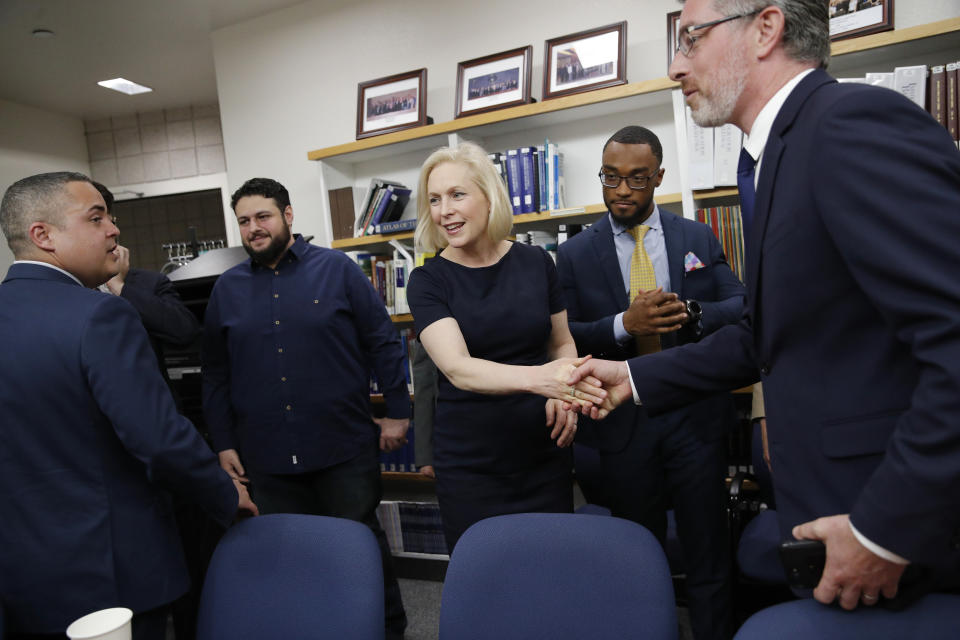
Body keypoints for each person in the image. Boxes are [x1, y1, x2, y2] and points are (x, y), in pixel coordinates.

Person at [568, 0, 960, 614]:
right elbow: (765, 336)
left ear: (766, 30)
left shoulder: (849, 124)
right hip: (835, 512)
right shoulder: (776, 156)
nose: (674, 65)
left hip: (887, 524)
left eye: (690, 39)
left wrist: (885, 526)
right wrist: (634, 375)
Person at [0, 172, 256, 640]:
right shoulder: (99, 314)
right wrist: (224, 492)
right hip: (109, 575)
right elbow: (158, 440)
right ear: (43, 235)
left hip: (21, 578)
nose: (114, 230)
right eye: (96, 218)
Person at [556, 125, 745, 640]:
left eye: (637, 180)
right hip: (623, 425)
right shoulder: (573, 254)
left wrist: (693, 311)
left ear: (659, 177)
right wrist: (624, 325)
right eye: (610, 178)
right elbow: (562, 337)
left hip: (694, 420)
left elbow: (742, 305)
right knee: (638, 557)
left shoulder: (696, 236)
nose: (621, 191)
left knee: (709, 552)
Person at [201, 177, 409, 639]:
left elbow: (382, 341)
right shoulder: (226, 290)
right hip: (267, 454)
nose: (254, 228)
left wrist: (397, 411)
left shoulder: (336, 269)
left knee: (360, 544)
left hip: (342, 445)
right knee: (289, 554)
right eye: (244, 221)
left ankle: (388, 629)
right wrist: (223, 443)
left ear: (288, 215)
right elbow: (215, 374)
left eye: (263, 216)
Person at [406, 142, 603, 550]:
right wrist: (547, 381)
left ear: (489, 196)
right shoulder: (428, 281)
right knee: (487, 582)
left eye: (457, 194)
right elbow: (458, 368)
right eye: (435, 200)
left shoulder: (536, 262)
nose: (445, 210)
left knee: (551, 570)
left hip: (542, 453)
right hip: (472, 466)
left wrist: (565, 395)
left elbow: (562, 342)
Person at [92, 182, 201, 397]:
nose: (112, 231)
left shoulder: (149, 283)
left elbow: (185, 332)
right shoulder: (67, 288)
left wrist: (120, 287)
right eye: (96, 221)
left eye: (111, 222)